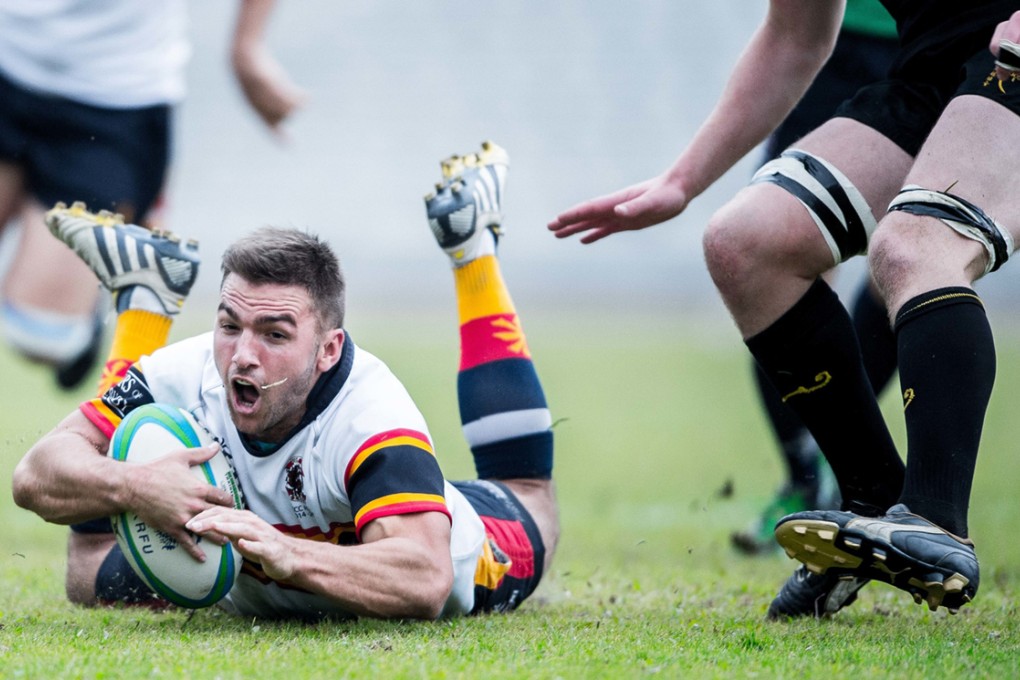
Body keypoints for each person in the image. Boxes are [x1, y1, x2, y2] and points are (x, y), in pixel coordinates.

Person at [549, 1, 1020, 618]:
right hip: (930, 73)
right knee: (745, 245)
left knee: (914, 248)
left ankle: (937, 521)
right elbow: (795, 37)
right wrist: (682, 181)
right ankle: (868, 506)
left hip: (1005, 61)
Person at [12, 141, 559, 619]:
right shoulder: (190, 368)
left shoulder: (369, 416)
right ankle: (147, 301)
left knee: (529, 496)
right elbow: (35, 475)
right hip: (245, 582)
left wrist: (286, 552)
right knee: (88, 572)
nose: (240, 356)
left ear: (328, 350)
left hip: (479, 547)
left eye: (274, 335)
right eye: (230, 325)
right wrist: (136, 485)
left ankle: (472, 251)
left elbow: (425, 578)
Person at [0, 0, 304, 390]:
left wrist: (246, 47)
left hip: (114, 97)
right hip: (8, 58)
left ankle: (99, 278)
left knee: (40, 337)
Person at [731, 0, 900, 556]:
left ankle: (856, 480)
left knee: (903, 264)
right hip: (824, 38)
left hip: (929, 45)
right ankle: (803, 476)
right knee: (772, 261)